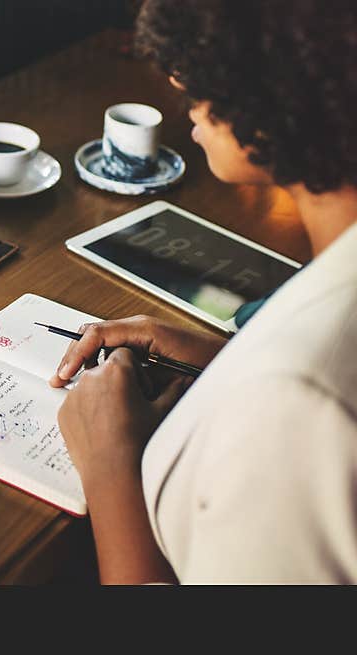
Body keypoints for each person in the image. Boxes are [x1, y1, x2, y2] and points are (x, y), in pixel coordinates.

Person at [51, 0, 357, 583]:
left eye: (204, 53)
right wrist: (229, 363)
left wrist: (112, 469)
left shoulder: (299, 402)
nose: (176, 79)